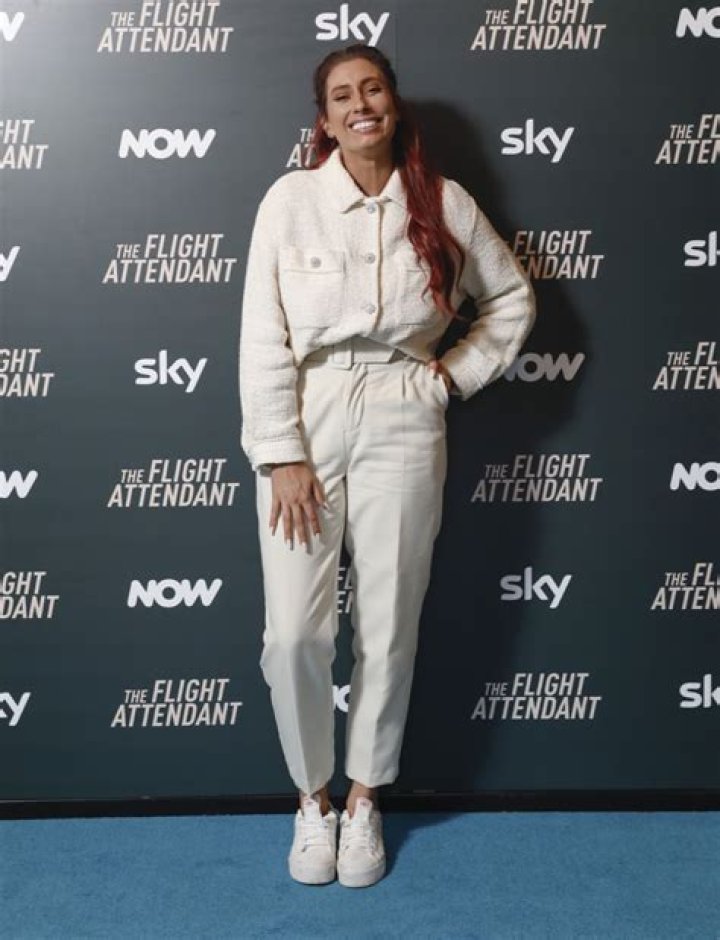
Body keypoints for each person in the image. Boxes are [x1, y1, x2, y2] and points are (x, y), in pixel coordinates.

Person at [238, 43, 535, 888]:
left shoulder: (443, 201)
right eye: (342, 95)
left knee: (389, 622)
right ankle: (312, 800)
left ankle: (365, 800)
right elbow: (262, 334)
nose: (360, 104)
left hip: (406, 408)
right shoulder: (291, 200)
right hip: (310, 410)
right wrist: (282, 452)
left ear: (393, 105)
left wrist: (449, 378)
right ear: (325, 119)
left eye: (372, 89)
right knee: (293, 634)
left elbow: (510, 299)